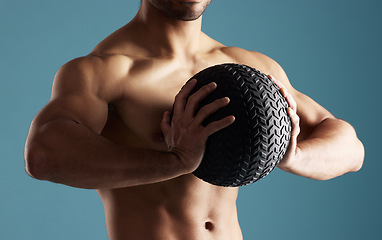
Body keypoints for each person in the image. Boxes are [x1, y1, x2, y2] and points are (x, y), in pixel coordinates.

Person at [24, 0, 365, 239]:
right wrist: (175, 161)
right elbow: (44, 154)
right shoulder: (107, 70)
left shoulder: (248, 70)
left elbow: (351, 149)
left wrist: (294, 155)